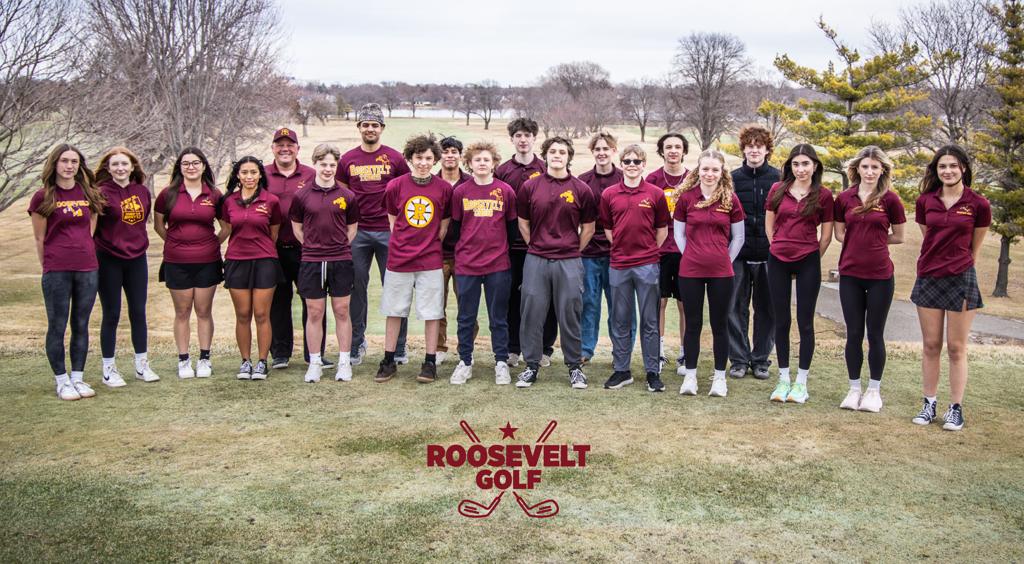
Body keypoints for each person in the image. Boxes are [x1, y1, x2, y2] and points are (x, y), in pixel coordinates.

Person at [910, 145, 990, 431]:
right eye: (942, 166)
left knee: (956, 348)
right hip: (929, 276)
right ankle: (929, 403)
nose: (947, 171)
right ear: (936, 170)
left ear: (964, 169)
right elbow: (928, 236)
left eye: (953, 166)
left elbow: (975, 247)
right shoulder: (925, 201)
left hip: (961, 277)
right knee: (931, 345)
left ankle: (955, 408)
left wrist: (961, 264)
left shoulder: (978, 204)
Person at [515, 136, 597, 389]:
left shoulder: (581, 189)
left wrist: (572, 249)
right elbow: (523, 223)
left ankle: (574, 367)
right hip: (536, 259)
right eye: (552, 151)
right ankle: (531, 366)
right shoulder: (531, 187)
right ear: (546, 155)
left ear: (568, 156)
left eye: (562, 152)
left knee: (570, 313)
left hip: (569, 260)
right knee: (532, 312)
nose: (557, 155)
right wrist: (537, 246)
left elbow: (589, 228)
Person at [29, 144, 105, 401]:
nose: (69, 165)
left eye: (74, 161)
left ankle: (78, 378)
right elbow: (40, 238)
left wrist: (81, 252)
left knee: (81, 324)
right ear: (55, 164)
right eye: (64, 161)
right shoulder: (43, 197)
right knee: (58, 325)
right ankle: (62, 380)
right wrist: (48, 265)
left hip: (87, 268)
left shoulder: (88, 194)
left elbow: (90, 228)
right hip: (56, 269)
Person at [375, 134, 453, 384]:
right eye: (418, 158)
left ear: (435, 160)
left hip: (430, 259)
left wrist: (426, 245)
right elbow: (393, 221)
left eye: (428, 158)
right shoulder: (396, 186)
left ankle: (430, 361)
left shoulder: (443, 188)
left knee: (432, 312)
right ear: (410, 158)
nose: (423, 163)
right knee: (394, 310)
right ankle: (388, 360)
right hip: (399, 259)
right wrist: (406, 244)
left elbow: (443, 226)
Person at [337, 103, 411, 365]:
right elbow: (341, 197)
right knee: (356, 287)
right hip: (358, 233)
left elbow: (407, 191)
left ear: (382, 128)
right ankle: (357, 343)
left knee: (396, 288)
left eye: (375, 125)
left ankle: (399, 346)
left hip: (389, 232)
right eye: (365, 124)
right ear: (359, 127)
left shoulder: (395, 158)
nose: (370, 129)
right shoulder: (347, 160)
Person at [834, 147, 906, 412]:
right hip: (850, 275)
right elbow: (840, 233)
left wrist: (875, 241)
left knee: (875, 334)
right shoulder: (844, 198)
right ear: (857, 169)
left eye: (875, 167)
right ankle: (854, 389)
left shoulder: (891, 200)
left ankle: (874, 391)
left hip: (880, 277)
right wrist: (859, 242)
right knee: (853, 334)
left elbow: (898, 236)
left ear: (882, 171)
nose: (869, 172)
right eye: (865, 167)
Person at [765, 144, 834, 404]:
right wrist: (779, 247)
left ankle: (801, 383)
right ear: (789, 166)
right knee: (781, 321)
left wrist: (810, 257)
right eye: (796, 164)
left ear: (815, 166)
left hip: (808, 261)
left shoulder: (824, 195)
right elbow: (769, 225)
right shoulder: (777, 190)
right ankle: (783, 380)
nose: (800, 169)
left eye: (805, 164)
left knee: (805, 322)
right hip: (778, 259)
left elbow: (826, 236)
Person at [674, 149, 746, 397]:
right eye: (705, 169)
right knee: (693, 325)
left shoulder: (730, 200)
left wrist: (725, 260)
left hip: (721, 273)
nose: (709, 174)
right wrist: (691, 255)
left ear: (722, 171)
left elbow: (738, 238)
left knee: (720, 325)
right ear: (698, 170)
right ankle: (691, 377)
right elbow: (678, 234)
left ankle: (719, 378)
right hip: (690, 271)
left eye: (715, 169)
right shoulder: (686, 198)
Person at [598, 145, 670, 392]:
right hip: (619, 265)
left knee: (650, 320)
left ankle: (652, 372)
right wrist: (621, 247)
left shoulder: (655, 193)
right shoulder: (609, 194)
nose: (631, 165)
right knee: (620, 319)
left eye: (636, 161)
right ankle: (622, 370)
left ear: (643, 164)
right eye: (627, 161)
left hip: (647, 265)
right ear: (621, 163)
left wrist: (648, 251)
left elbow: (662, 229)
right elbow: (609, 229)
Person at [290, 144, 361, 383]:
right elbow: (297, 228)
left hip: (340, 259)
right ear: (315, 164)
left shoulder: (347, 196)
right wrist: (314, 247)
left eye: (332, 165)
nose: (328, 169)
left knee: (342, 311)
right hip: (311, 260)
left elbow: (352, 229)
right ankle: (315, 362)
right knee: (314, 312)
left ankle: (343, 362)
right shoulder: (302, 195)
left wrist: (336, 247)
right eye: (323, 164)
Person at [448, 141, 517, 385]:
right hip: (467, 265)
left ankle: (500, 362)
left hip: (498, 264)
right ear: (469, 163)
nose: (482, 164)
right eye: (477, 160)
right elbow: (456, 228)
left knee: (498, 317)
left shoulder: (505, 191)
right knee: (466, 317)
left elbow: (511, 229)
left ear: (494, 163)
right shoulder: (460, 192)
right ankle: (465, 361)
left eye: (486, 160)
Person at [154, 148, 226, 379]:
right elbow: (159, 226)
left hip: (208, 261)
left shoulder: (215, 194)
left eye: (196, 163)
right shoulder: (168, 194)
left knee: (204, 311)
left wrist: (210, 243)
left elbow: (226, 227)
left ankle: (204, 358)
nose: (191, 167)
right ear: (179, 167)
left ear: (204, 166)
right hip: (177, 262)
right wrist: (177, 242)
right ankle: (184, 360)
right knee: (182, 312)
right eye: (186, 163)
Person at [93, 146, 160, 387]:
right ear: (108, 169)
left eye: (124, 164)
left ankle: (142, 365)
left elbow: (141, 222)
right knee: (111, 313)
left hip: (136, 259)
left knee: (138, 312)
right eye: (115, 165)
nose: (120, 168)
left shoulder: (141, 191)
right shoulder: (100, 192)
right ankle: (108, 369)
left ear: (132, 167)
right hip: (108, 258)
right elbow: (94, 228)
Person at [496, 117, 557, 368]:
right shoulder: (502, 171)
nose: (523, 140)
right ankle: (512, 348)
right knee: (511, 298)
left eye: (527, 135)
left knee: (545, 298)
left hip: (540, 247)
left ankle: (544, 348)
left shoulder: (545, 168)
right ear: (512, 139)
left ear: (534, 138)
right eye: (518, 135)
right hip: (510, 248)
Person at [219, 156, 284, 380]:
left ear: (260, 175)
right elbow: (227, 229)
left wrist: (260, 249)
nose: (249, 177)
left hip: (265, 260)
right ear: (238, 175)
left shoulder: (271, 200)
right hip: (237, 261)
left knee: (261, 313)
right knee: (243, 314)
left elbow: (273, 233)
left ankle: (262, 362)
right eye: (244, 172)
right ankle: (245, 362)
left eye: (253, 172)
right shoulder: (228, 201)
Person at [265, 127, 323, 370]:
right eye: (280, 144)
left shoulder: (311, 174)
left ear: (298, 149)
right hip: (272, 248)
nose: (285, 148)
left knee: (313, 300)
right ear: (273, 148)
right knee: (278, 301)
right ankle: (280, 353)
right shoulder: (262, 174)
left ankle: (314, 354)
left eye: (290, 144)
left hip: (306, 249)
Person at [728, 125, 781, 380]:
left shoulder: (780, 179)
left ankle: (760, 359)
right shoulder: (732, 178)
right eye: (749, 146)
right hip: (738, 253)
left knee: (767, 309)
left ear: (767, 149)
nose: (754, 150)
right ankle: (738, 359)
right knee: (735, 308)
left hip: (770, 255)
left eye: (759, 146)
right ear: (744, 149)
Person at [578, 131, 624, 363]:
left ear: (614, 151)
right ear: (593, 152)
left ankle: (620, 350)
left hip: (617, 253)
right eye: (598, 149)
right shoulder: (583, 180)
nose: (602, 153)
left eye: (606, 149)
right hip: (589, 252)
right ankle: (586, 349)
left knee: (618, 304)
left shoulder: (624, 178)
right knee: (589, 302)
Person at [646, 132, 690, 375]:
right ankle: (658, 352)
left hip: (686, 251)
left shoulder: (693, 178)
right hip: (659, 250)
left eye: (677, 147)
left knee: (685, 305)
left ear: (684, 150)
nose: (673, 151)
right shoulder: (652, 179)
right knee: (659, 302)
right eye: (668, 147)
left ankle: (685, 354)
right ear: (661, 151)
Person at [436, 135, 473, 365]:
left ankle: (465, 346)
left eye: (454, 152)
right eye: (445, 151)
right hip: (437, 254)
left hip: (464, 254)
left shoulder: (470, 183)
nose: (450, 156)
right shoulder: (431, 182)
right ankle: (438, 347)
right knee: (437, 304)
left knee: (466, 304)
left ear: (460, 156)